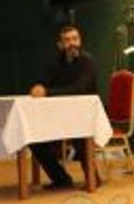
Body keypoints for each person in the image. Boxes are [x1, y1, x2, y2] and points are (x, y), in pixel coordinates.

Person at [29, 25, 97, 190]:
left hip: (85, 116)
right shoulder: (55, 62)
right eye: (67, 40)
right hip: (59, 116)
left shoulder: (87, 61)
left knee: (80, 134)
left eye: (75, 39)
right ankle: (61, 179)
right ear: (60, 45)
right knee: (34, 140)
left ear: (80, 41)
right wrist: (38, 87)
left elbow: (78, 89)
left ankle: (93, 178)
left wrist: (47, 92)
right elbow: (43, 82)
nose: (72, 43)